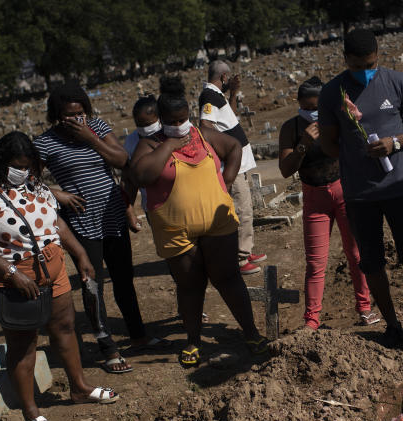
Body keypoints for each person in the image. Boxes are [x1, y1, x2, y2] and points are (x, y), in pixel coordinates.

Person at [0, 132, 120, 421]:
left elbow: (55, 222)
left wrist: (79, 253)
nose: (23, 171)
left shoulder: (33, 184)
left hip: (52, 265)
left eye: (29, 166)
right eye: (17, 166)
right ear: (1, 162)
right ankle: (30, 412)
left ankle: (79, 387)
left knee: (65, 327)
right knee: (23, 342)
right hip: (14, 274)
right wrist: (12, 274)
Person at [130, 77, 267, 367]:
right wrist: (169, 145)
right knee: (190, 286)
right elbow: (142, 175)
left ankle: (251, 332)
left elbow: (234, 148)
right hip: (176, 231)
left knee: (228, 278)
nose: (180, 125)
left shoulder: (202, 134)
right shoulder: (150, 144)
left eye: (184, 119)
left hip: (217, 225)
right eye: (173, 121)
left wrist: (226, 182)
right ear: (162, 120)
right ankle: (193, 340)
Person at [34, 84, 164, 375]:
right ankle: (108, 348)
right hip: (81, 220)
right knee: (92, 283)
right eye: (69, 115)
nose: (77, 119)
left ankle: (138, 334)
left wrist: (90, 138)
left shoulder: (97, 127)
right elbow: (27, 182)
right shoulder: (45, 143)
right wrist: (57, 193)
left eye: (81, 113)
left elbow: (121, 160)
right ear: (57, 116)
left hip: (113, 214)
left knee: (124, 279)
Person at [318, 29, 403, 352]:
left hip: (400, 188)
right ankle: (392, 326)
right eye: (357, 66)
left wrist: (394, 143)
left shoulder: (397, 82)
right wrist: (354, 147)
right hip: (360, 195)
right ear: (345, 61)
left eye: (369, 64)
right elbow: (328, 145)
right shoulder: (332, 94)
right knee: (372, 263)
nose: (364, 71)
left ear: (378, 56)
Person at [278, 76, 377, 330]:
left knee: (355, 254)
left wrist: (350, 117)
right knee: (315, 262)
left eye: (316, 108)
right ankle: (311, 319)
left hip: (344, 191)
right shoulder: (291, 128)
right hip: (314, 198)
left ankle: (364, 307)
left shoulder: (335, 121)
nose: (311, 113)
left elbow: (360, 145)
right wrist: (304, 144)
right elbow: (285, 170)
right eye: (305, 108)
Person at [198, 60, 267, 275]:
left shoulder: (218, 96)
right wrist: (227, 149)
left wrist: (234, 94)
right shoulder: (209, 97)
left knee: (244, 207)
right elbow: (205, 126)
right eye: (230, 79)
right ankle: (240, 258)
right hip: (232, 163)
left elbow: (229, 118)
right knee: (242, 209)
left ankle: (245, 250)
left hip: (240, 161)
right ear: (224, 77)